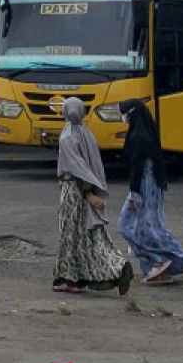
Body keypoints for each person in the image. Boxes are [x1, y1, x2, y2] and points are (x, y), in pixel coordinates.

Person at [53, 97, 133, 295]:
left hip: (74, 190)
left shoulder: (67, 137)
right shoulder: (87, 134)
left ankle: (69, 279)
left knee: (69, 236)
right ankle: (117, 266)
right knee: (90, 236)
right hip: (84, 190)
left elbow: (78, 168)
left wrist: (88, 193)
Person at [117, 100, 183, 284]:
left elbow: (138, 168)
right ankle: (157, 268)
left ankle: (161, 260)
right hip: (152, 188)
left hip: (143, 189)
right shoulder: (147, 134)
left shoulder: (138, 137)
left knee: (132, 227)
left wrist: (135, 194)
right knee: (150, 227)